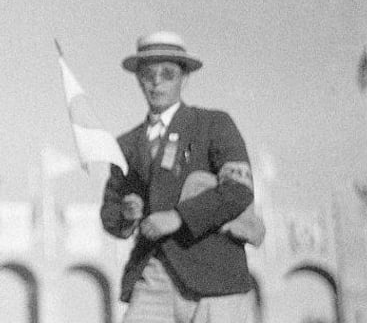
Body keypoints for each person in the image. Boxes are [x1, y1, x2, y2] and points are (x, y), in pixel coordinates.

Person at [100, 31, 259, 323]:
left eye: (168, 73)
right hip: (153, 275)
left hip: (216, 277)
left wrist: (179, 217)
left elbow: (238, 190)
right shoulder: (124, 145)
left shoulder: (214, 124)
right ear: (138, 79)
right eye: (148, 74)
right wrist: (126, 213)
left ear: (184, 77)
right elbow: (110, 214)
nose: (157, 82)